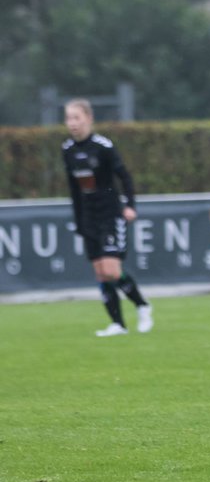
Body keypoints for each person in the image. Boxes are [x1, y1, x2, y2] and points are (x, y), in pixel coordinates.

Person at [62, 98, 153, 337]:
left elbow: (124, 176)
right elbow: (74, 189)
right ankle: (118, 324)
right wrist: (79, 220)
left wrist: (130, 205)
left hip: (110, 214)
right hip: (88, 217)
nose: (72, 123)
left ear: (89, 119)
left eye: (76, 117)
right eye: (68, 118)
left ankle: (142, 305)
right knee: (100, 272)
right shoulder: (67, 150)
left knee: (112, 270)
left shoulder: (103, 146)